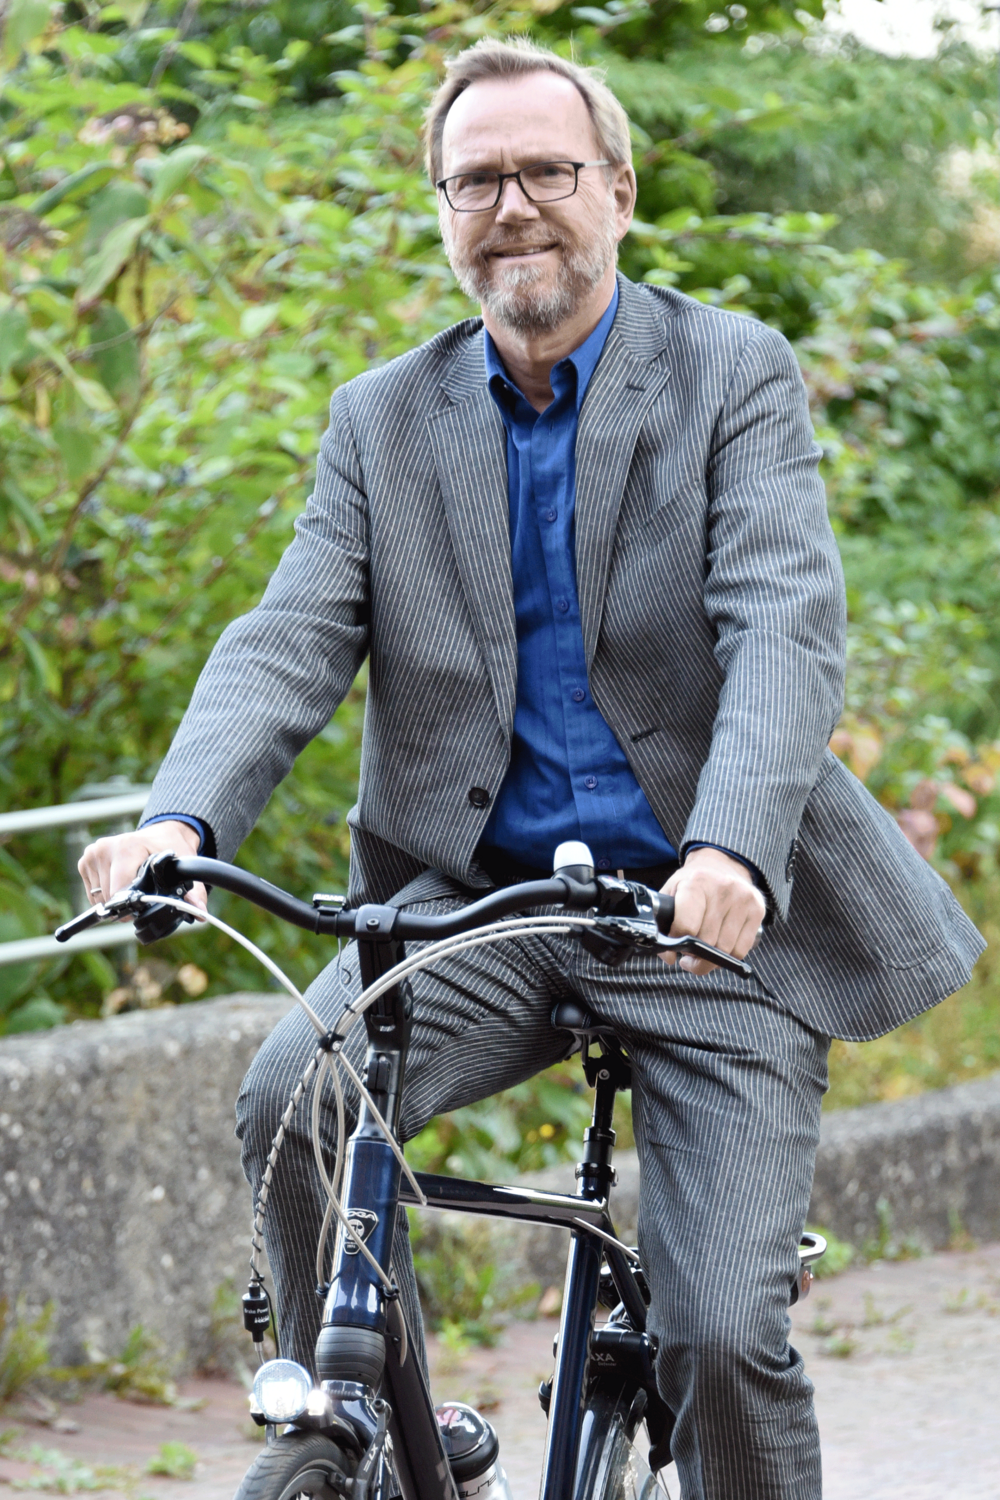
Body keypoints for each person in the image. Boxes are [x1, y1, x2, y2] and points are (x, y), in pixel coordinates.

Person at [81, 36, 984, 1500]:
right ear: (443, 211)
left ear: (617, 191)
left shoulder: (730, 374)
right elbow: (288, 639)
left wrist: (732, 849)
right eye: (476, 180)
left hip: (702, 929)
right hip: (478, 911)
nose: (513, 207)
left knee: (716, 1338)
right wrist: (177, 823)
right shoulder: (383, 418)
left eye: (546, 172)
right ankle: (373, 1437)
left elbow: (783, 628)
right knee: (291, 1100)